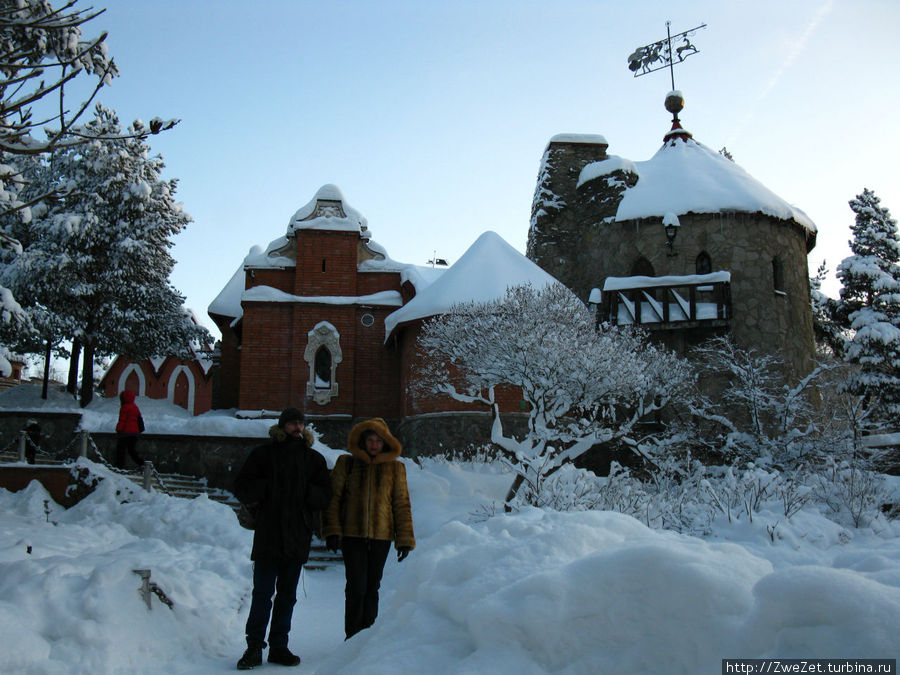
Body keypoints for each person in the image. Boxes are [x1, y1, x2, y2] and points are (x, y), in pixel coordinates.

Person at [233, 407, 332, 670]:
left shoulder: (313, 460)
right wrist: (267, 492)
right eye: (292, 424)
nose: (297, 428)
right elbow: (242, 485)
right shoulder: (263, 455)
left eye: (300, 423)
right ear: (282, 426)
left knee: (287, 595)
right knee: (262, 593)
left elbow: (325, 494)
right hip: (269, 534)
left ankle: (279, 645)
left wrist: (307, 495)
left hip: (297, 536)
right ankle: (254, 646)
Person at [324, 418, 415, 640]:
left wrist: (404, 538)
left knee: (372, 587)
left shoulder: (395, 468)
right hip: (352, 534)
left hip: (381, 536)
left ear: (385, 443)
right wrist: (332, 530)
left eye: (378, 441)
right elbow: (333, 499)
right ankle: (352, 636)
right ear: (362, 442)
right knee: (356, 587)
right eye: (370, 440)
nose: (374, 445)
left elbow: (401, 503)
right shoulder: (347, 464)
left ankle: (366, 637)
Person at [114, 390, 144, 469]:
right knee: (132, 450)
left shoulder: (124, 407)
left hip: (125, 433)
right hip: (134, 433)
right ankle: (142, 463)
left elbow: (122, 420)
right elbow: (139, 418)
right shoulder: (135, 407)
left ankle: (119, 466)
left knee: (120, 450)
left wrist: (118, 429)